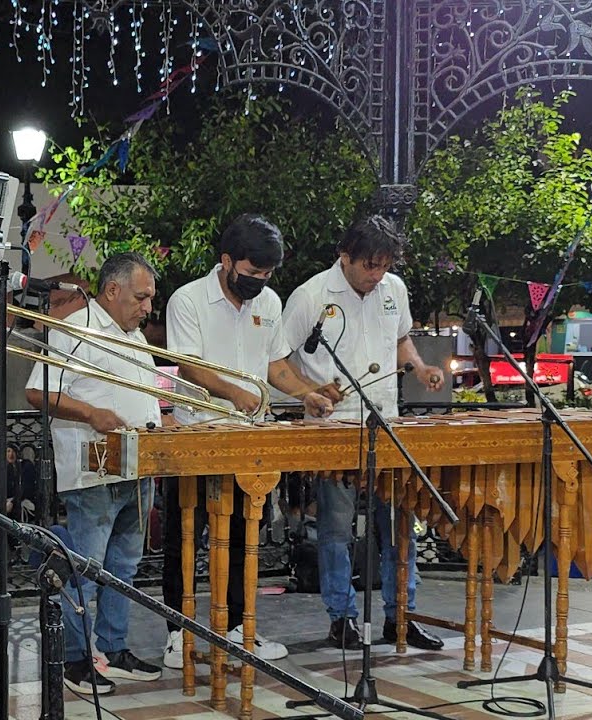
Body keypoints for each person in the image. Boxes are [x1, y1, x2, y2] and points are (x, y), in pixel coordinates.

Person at [161, 214, 340, 667]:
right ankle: (178, 634)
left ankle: (241, 628)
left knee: (246, 536)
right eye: (253, 272)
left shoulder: (270, 302)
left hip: (250, 439)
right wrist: (234, 392)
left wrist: (306, 394)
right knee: (185, 539)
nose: (260, 281)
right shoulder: (188, 300)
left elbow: (275, 364)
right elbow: (188, 364)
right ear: (227, 261)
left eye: (267, 274)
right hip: (197, 435)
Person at [282, 215, 447, 651]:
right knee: (336, 530)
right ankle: (342, 618)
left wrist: (419, 367)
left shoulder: (394, 289)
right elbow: (277, 358)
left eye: (385, 266)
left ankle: (401, 616)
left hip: (386, 423)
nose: (377, 275)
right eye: (370, 266)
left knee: (399, 528)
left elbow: (401, 339)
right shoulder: (311, 296)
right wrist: (308, 391)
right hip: (334, 428)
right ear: (345, 256)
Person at [25, 252, 165, 696]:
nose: (147, 307)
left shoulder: (135, 336)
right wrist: (89, 413)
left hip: (137, 466)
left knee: (124, 567)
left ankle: (113, 647)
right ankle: (75, 658)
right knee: (86, 568)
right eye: (141, 297)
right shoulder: (76, 329)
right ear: (112, 290)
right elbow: (37, 391)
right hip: (94, 472)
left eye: (150, 298)